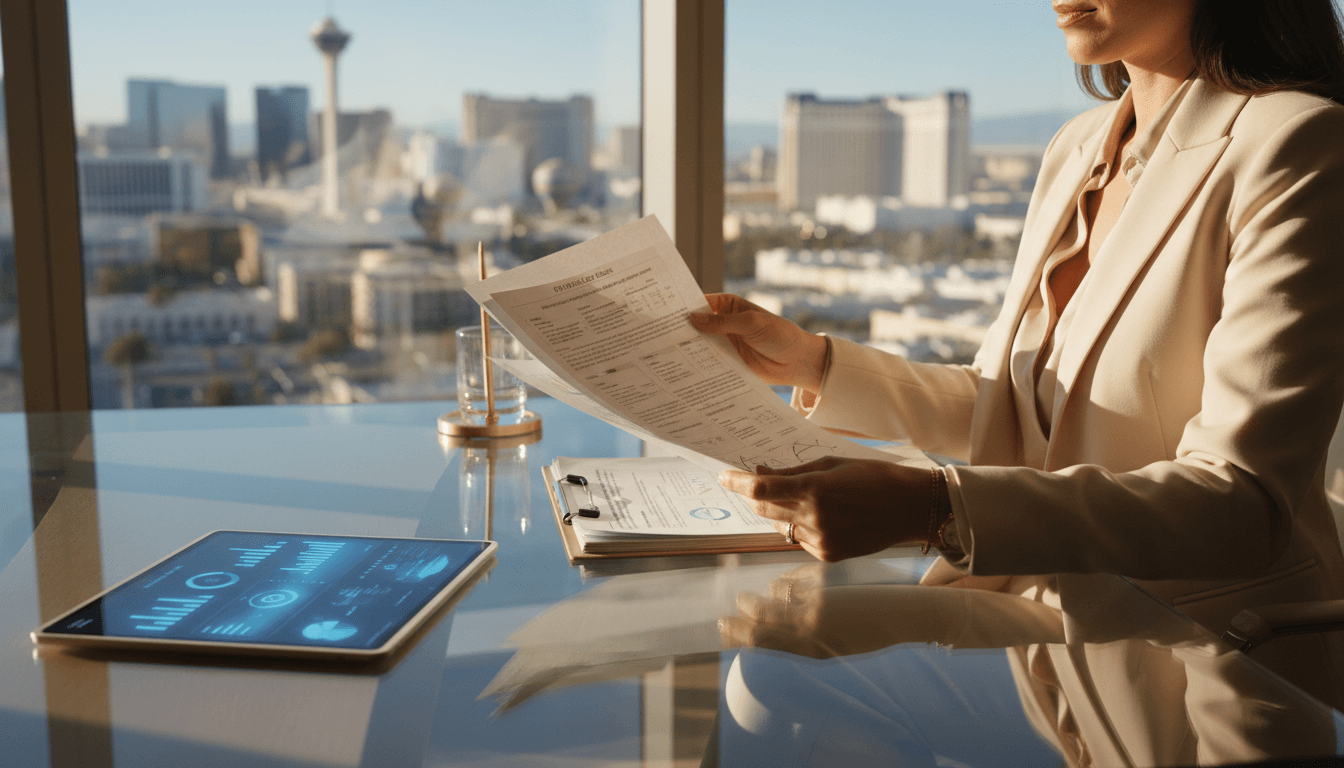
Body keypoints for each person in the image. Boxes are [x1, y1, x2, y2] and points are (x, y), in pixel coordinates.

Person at [692, 0, 1344, 706]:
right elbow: (1020, 405)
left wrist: (938, 509)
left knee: (776, 695)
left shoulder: (1299, 145)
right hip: (1037, 634)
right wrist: (815, 362)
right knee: (764, 676)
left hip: (1202, 654)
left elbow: (1240, 503)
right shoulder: (1081, 145)